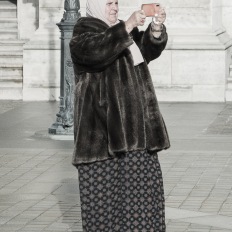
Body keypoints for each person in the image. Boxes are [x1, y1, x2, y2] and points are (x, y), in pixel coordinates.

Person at [69, 0, 170, 231]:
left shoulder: (123, 32)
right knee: (105, 212)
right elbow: (97, 51)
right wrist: (127, 25)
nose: (114, 8)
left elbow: (146, 51)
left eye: (116, 3)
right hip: (103, 142)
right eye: (108, 3)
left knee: (143, 209)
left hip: (138, 138)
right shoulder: (83, 34)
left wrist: (155, 28)